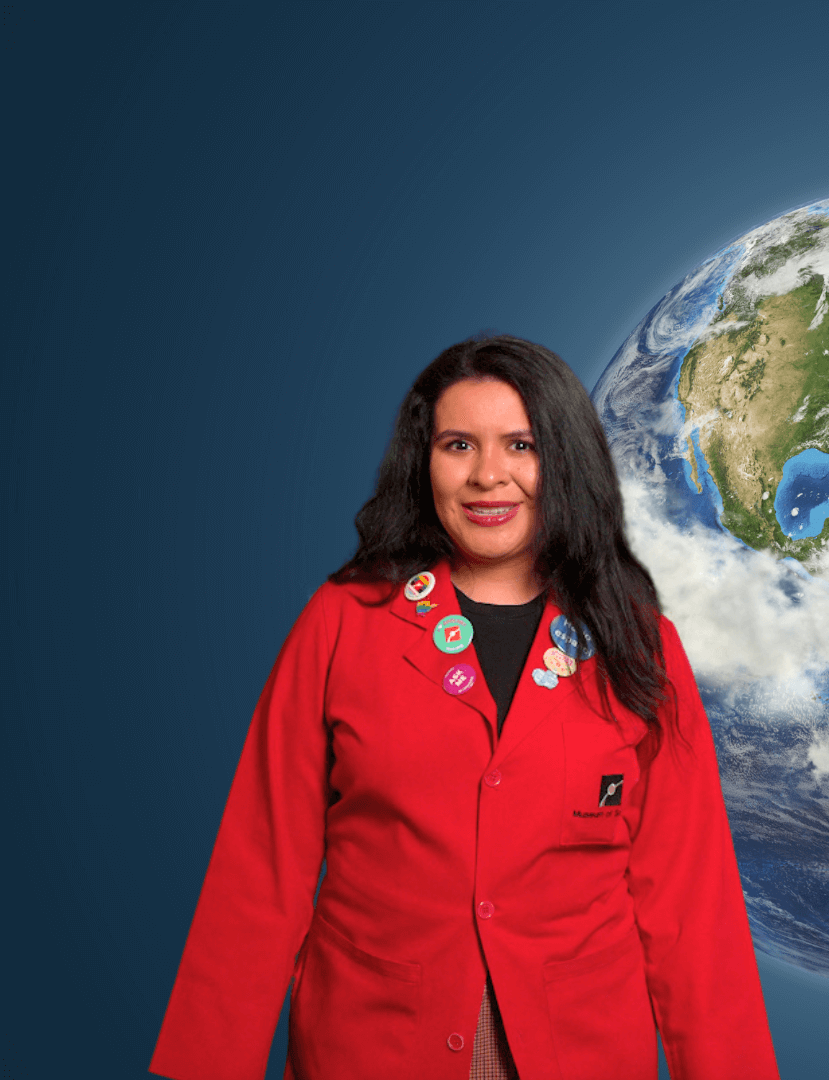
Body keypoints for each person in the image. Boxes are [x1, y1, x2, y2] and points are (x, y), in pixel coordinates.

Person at [150, 336, 779, 1080]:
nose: (489, 476)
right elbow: (259, 873)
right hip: (370, 1049)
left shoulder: (640, 647)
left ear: (566, 462)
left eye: (522, 444)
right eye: (458, 445)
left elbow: (691, 911)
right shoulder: (343, 621)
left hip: (582, 1051)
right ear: (424, 461)